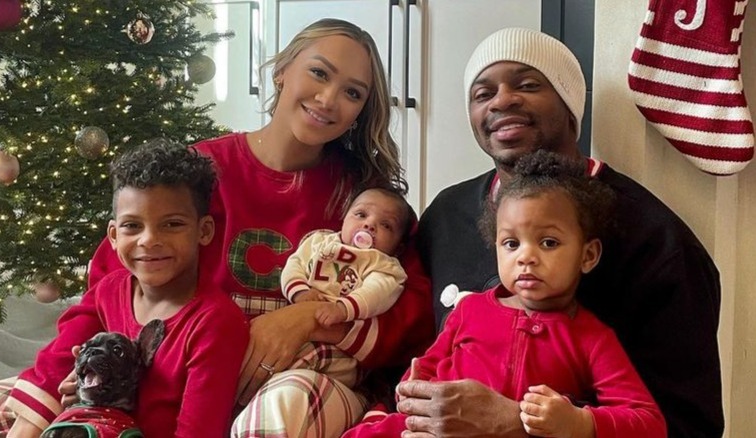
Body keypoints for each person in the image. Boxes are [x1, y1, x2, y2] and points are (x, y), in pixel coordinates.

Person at [0, 18, 435, 438]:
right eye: (319, 73)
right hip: (171, 374)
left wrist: (305, 316)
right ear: (282, 71)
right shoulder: (197, 170)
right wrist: (74, 381)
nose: (329, 98)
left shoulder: (363, 202)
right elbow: (110, 288)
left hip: (297, 379)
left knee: (279, 416)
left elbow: (410, 313)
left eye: (353, 92)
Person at [406, 28, 722, 437]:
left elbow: (689, 427)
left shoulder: (657, 242)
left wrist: (519, 424)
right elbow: (408, 351)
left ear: (571, 105)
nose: (502, 100)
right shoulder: (445, 217)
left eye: (528, 84)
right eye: (482, 93)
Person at [347, 150, 667, 438]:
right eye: (511, 244)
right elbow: (427, 367)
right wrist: (413, 390)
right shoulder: (469, 309)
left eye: (548, 242)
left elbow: (649, 423)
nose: (525, 257)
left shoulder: (591, 338)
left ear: (588, 256)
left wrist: (579, 423)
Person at [4, 139, 250, 438]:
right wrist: (84, 392)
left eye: (172, 224)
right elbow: (64, 354)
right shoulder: (109, 291)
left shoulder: (215, 323)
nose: (149, 240)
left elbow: (198, 431)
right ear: (113, 235)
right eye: (132, 226)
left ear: (204, 231)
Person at [281, 186, 414, 387]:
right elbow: (295, 264)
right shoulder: (318, 242)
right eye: (361, 214)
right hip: (297, 331)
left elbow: (376, 293)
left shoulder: (384, 264)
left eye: (386, 225)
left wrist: (342, 309)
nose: (369, 224)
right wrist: (300, 292)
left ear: (398, 247)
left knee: (290, 364)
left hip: (342, 355)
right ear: (344, 219)